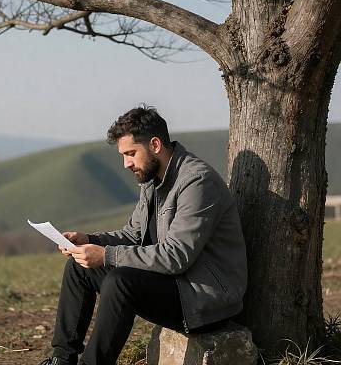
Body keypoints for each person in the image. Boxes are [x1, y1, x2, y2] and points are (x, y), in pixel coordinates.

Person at [40, 105, 247, 365]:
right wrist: (90, 241)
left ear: (156, 144)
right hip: (173, 282)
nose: (126, 163)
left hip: (202, 298)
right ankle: (61, 359)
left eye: (131, 153)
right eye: (123, 155)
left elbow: (176, 256)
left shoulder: (197, 181)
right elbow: (133, 233)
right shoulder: (152, 179)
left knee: (120, 282)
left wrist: (106, 255)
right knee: (79, 268)